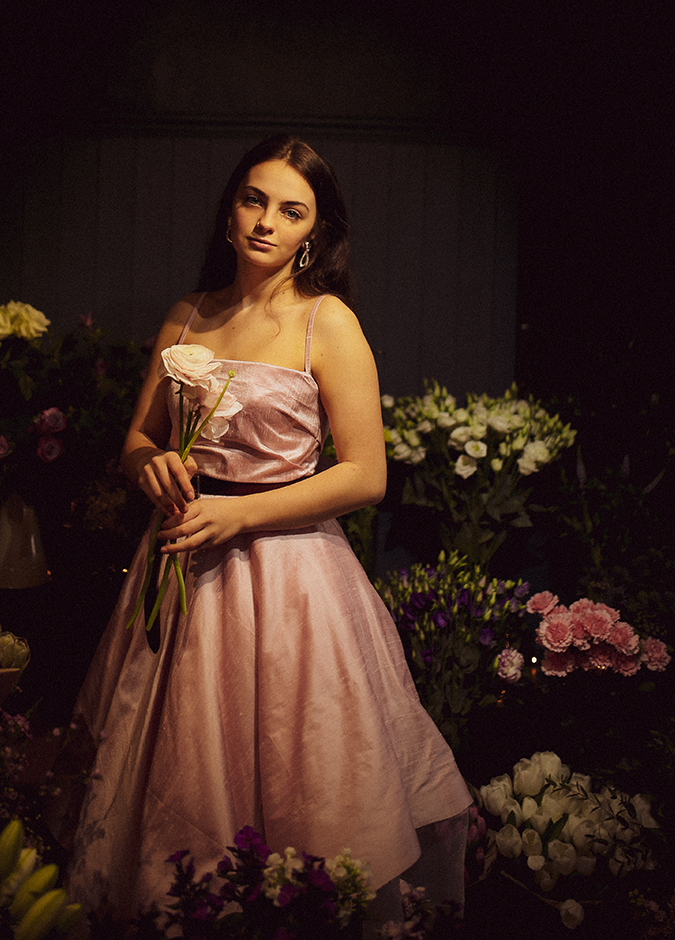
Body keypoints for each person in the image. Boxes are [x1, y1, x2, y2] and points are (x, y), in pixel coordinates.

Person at [57, 136, 471, 933]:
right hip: (178, 561)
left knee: (291, 756)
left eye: (291, 210)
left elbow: (365, 475)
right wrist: (149, 468)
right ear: (229, 211)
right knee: (179, 760)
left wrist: (240, 512)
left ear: (313, 231)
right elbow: (136, 442)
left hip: (287, 574)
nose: (265, 221)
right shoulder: (189, 314)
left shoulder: (328, 322)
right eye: (254, 200)